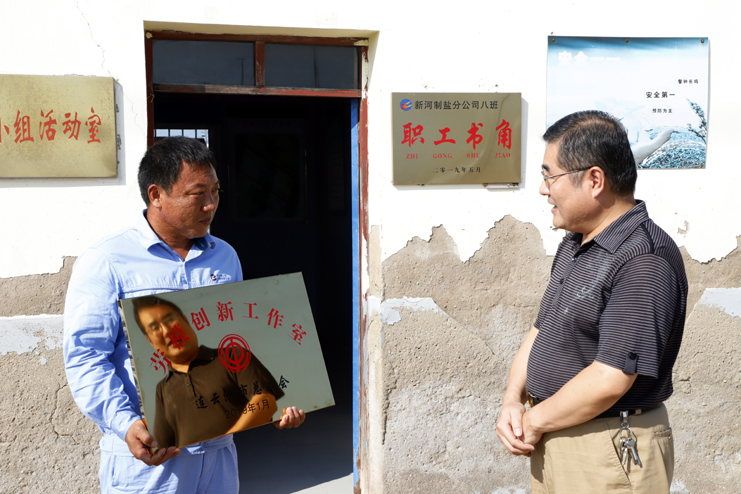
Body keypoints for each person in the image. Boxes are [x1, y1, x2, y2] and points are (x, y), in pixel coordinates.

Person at [63, 136, 305, 493]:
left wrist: (279, 402)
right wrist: (126, 424)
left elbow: (239, 346)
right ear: (156, 195)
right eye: (197, 194)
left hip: (219, 456)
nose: (211, 205)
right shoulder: (107, 260)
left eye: (216, 192)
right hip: (149, 460)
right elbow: (86, 357)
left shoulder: (225, 257)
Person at [495, 110, 687, 493]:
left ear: (594, 180)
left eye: (550, 176)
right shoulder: (576, 242)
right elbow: (541, 329)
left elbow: (610, 378)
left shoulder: (643, 259)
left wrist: (532, 422)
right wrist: (512, 400)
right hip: (556, 433)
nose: (544, 189)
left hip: (607, 446)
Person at [131, 295, 285, 448]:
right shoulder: (162, 389)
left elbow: (265, 401)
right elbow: (162, 445)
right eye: (155, 328)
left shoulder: (232, 355)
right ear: (150, 341)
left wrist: (221, 443)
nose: (167, 331)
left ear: (186, 320)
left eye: (169, 319)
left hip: (243, 453)